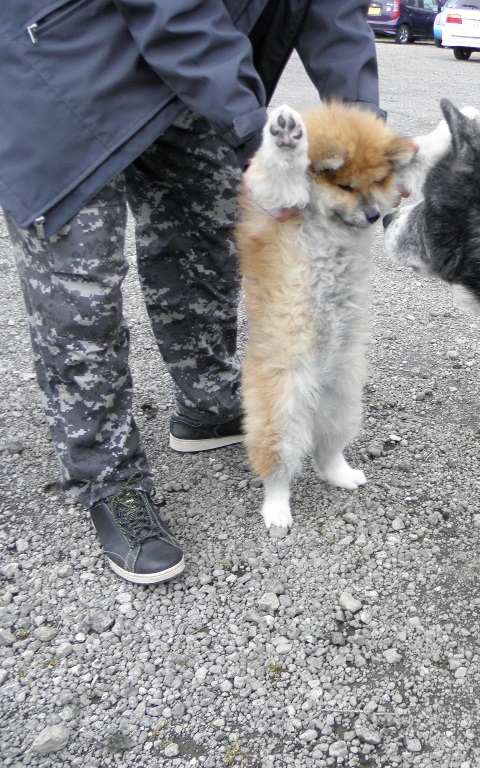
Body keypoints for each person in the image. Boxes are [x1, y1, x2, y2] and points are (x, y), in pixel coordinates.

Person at [0, 0, 382, 585]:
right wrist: (253, 128)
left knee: (207, 240)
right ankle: (111, 478)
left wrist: (367, 147)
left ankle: (206, 406)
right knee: (80, 294)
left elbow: (335, 18)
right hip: (63, 61)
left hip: (185, 85)